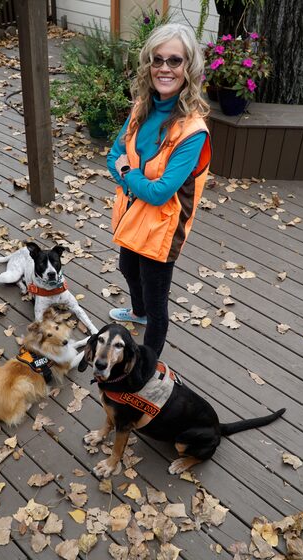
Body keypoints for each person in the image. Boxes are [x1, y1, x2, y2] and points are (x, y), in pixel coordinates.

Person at [107, 22, 212, 358]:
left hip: (162, 228)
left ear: (189, 67)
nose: (165, 68)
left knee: (157, 304)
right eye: (158, 59)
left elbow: (160, 193)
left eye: (175, 61)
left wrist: (128, 172)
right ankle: (135, 311)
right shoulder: (142, 107)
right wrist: (133, 178)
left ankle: (147, 365)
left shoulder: (193, 131)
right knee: (126, 267)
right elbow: (112, 156)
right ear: (148, 64)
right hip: (131, 215)